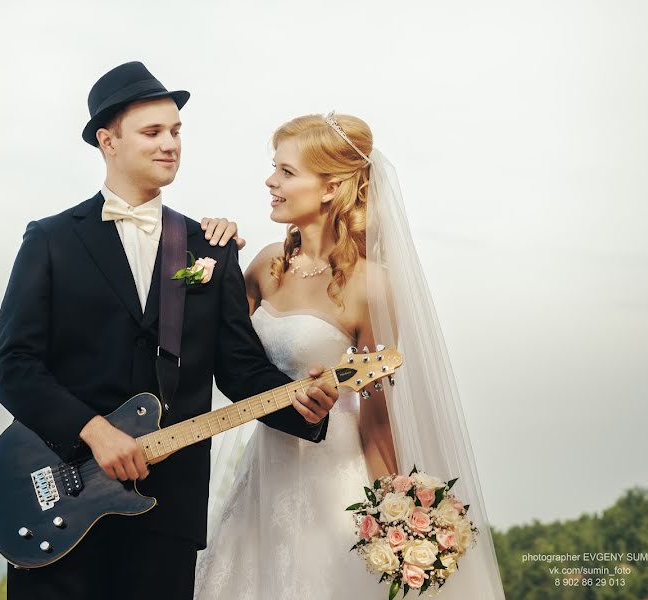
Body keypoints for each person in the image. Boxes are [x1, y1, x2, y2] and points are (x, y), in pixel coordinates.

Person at [0, 62, 339, 599]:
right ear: (108, 141)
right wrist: (92, 429)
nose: (170, 143)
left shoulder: (210, 248)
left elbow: (242, 372)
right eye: (152, 132)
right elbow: (13, 367)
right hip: (56, 501)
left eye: (176, 131)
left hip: (166, 513)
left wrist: (305, 407)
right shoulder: (49, 240)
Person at [194, 113, 505, 598]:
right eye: (273, 168)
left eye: (286, 172)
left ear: (330, 188)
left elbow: (377, 418)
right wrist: (210, 255)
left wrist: (396, 515)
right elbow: (219, 355)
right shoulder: (263, 265)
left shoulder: (370, 285)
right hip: (264, 468)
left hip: (332, 477)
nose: (270, 181)